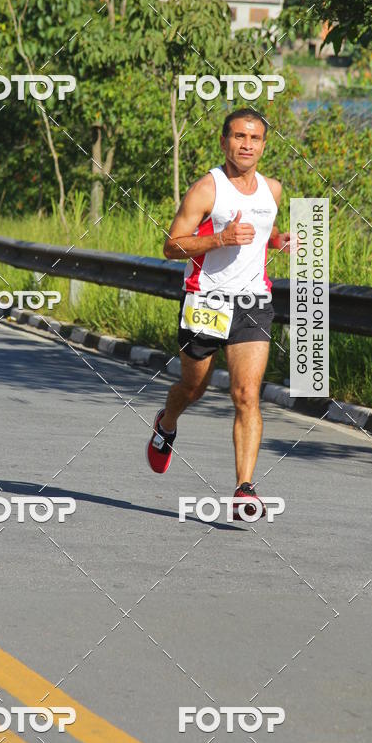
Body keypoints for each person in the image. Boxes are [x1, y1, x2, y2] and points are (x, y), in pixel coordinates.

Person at [145, 108, 290, 517]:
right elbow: (172, 246)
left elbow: (261, 236)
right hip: (206, 300)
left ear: (264, 144)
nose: (247, 145)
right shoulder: (207, 189)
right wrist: (220, 238)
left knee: (246, 394)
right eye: (239, 137)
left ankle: (245, 487)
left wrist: (279, 240)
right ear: (224, 142)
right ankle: (167, 422)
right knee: (193, 389)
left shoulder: (273, 190)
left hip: (253, 303)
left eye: (255, 138)